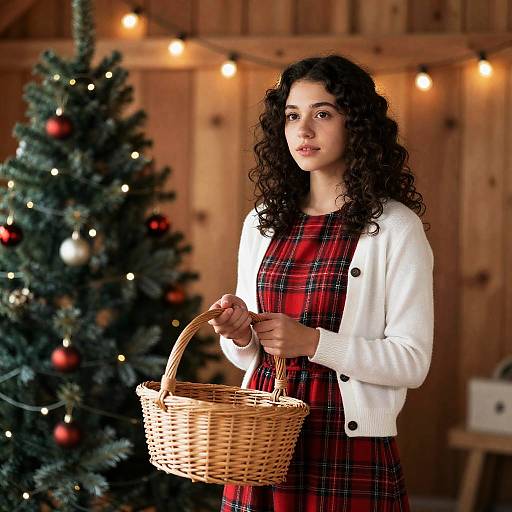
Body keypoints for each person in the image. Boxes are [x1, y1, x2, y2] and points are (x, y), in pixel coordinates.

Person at [208, 54, 434, 512]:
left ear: (357, 124)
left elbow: (412, 362)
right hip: (261, 442)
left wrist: (313, 342)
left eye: (322, 114)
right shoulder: (262, 224)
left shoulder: (394, 227)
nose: (303, 130)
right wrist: (238, 333)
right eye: (292, 116)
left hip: (343, 447)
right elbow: (249, 355)